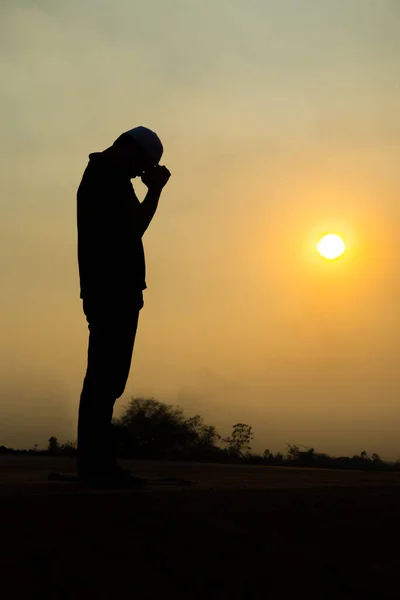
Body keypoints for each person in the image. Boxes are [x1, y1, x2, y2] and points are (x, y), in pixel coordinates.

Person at [76, 126, 171, 484]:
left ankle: (95, 464)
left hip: (109, 289)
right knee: (105, 379)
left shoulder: (106, 175)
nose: (140, 173)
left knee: (105, 379)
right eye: (143, 164)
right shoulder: (108, 178)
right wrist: (156, 193)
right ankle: (96, 467)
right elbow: (133, 229)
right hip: (111, 290)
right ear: (130, 150)